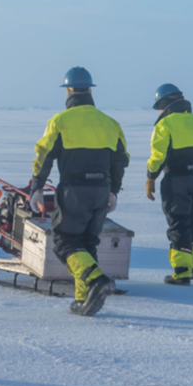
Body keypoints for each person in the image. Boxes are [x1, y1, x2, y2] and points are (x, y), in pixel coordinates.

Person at [30, 67, 129, 316]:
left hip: (74, 190)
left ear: (69, 90)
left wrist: (37, 188)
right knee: (86, 244)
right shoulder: (110, 123)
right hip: (101, 191)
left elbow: (43, 156)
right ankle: (83, 299)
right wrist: (113, 192)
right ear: (89, 90)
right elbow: (121, 160)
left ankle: (96, 280)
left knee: (65, 243)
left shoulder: (60, 122)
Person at [145, 84, 193, 285]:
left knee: (178, 223)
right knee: (192, 220)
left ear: (164, 104)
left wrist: (150, 177)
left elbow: (159, 155)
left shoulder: (165, 125)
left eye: (159, 108)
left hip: (177, 180)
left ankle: (181, 272)